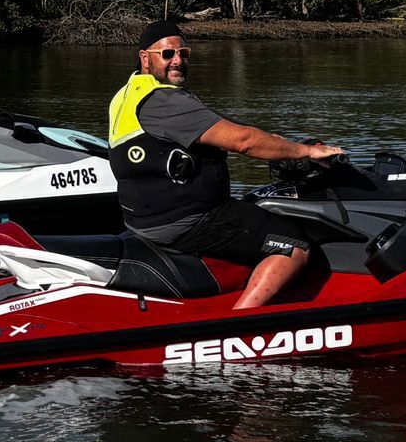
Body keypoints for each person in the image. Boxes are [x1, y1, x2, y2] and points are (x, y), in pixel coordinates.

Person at [107, 19, 342, 310]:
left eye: (183, 53)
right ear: (145, 58)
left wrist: (274, 141)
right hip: (186, 221)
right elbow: (243, 141)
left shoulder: (127, 95)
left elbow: (217, 126)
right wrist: (304, 151)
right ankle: (240, 322)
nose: (178, 61)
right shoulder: (163, 101)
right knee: (294, 244)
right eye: (167, 54)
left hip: (145, 219)